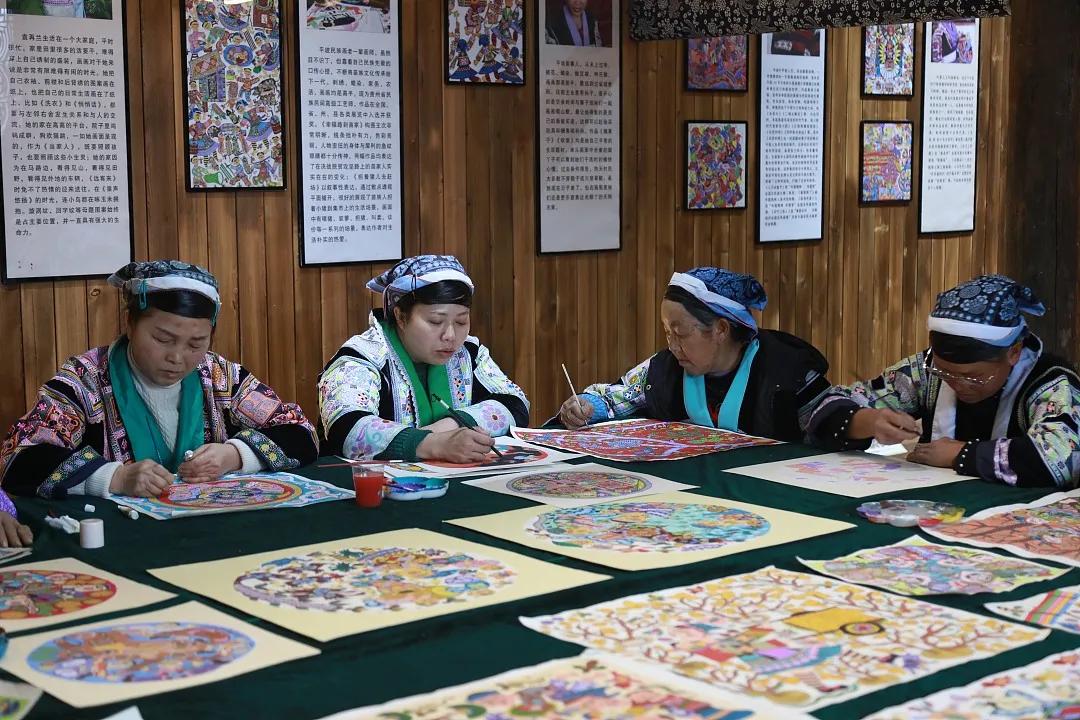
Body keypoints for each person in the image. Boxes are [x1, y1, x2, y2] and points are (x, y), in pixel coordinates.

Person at [0, 261, 319, 500]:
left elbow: (301, 433)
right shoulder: (84, 382)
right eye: (163, 339)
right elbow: (18, 459)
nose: (177, 357)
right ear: (130, 324)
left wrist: (233, 456)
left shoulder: (219, 376)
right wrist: (115, 478)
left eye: (196, 344)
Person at [805, 275, 1080, 488]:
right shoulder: (927, 370)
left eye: (974, 376)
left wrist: (960, 453)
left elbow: (1062, 459)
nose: (958, 384)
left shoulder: (1052, 383)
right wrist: (868, 421)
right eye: (946, 372)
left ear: (1014, 353)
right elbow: (826, 405)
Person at [558, 268, 831, 441]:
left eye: (681, 333)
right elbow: (616, 397)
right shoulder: (665, 369)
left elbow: (829, 417)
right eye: (667, 333)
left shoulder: (785, 370)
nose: (672, 346)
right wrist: (587, 406)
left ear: (721, 329)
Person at [319, 255, 529, 464]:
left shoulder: (468, 353)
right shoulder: (361, 358)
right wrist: (436, 444)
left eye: (461, 321)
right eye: (436, 321)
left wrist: (450, 425)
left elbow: (515, 402)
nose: (450, 335)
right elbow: (345, 426)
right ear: (401, 317)